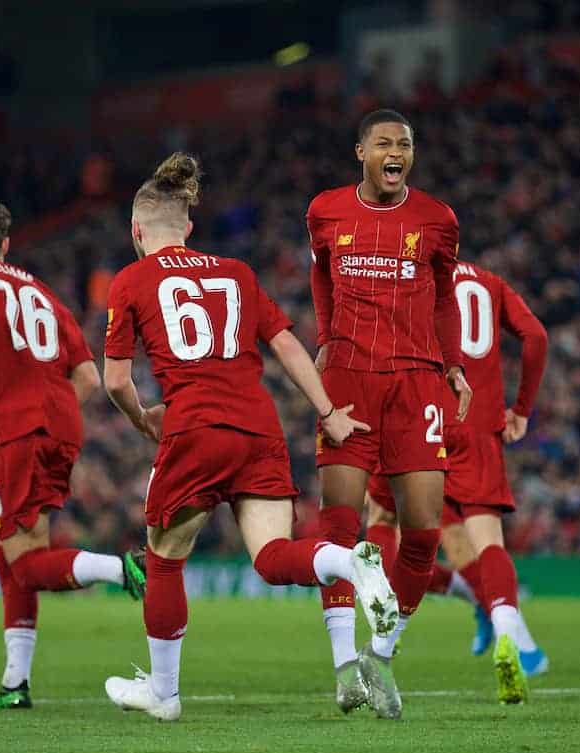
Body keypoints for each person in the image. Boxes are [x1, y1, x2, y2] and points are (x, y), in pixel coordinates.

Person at [101, 153, 397, 723]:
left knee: (163, 557)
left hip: (196, 426)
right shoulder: (236, 272)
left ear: (136, 231)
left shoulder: (131, 280)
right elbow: (286, 343)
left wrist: (142, 418)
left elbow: (116, 380)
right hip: (258, 424)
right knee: (272, 557)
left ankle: (164, 694)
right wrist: (329, 410)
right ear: (189, 226)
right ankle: (350, 563)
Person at [0, 197, 145, 710]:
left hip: (16, 429)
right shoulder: (42, 291)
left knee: (26, 565)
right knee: (10, 555)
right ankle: (15, 683)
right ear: (5, 244)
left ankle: (125, 572)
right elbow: (88, 377)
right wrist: (47, 415)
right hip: (60, 424)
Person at [307, 108, 471, 718]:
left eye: (405, 143)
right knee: (339, 528)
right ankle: (344, 667)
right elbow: (321, 277)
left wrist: (453, 364)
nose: (395, 151)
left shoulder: (437, 219)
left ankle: (381, 655)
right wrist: (325, 338)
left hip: (417, 382)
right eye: (384, 143)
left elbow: (447, 296)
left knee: (425, 532)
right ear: (361, 152)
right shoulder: (325, 211)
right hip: (349, 380)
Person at [364, 257, 550, 704]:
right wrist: (521, 409)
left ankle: (382, 630)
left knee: (387, 516)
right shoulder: (490, 282)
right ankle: (510, 631)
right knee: (482, 540)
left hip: (421, 420)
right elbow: (536, 337)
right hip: (477, 427)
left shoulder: (410, 280)